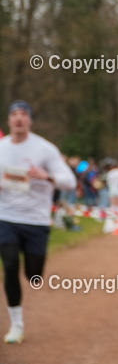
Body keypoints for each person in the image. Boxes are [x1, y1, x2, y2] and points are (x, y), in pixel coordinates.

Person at [0, 101, 76, 344]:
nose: (19, 118)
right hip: (6, 217)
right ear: (9, 120)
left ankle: (32, 270)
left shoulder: (45, 149)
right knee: (10, 265)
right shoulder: (1, 148)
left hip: (36, 220)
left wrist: (47, 176)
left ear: (30, 120)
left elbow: (70, 182)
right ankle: (17, 325)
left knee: (34, 275)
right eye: (14, 114)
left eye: (24, 114)